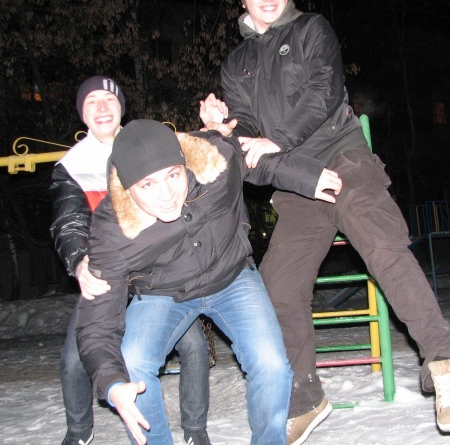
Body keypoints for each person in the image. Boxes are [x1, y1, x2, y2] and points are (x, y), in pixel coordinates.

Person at [200, 0, 450, 443]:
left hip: (343, 158)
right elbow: (247, 133)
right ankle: (306, 396)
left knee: (382, 244)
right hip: (297, 182)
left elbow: (324, 92)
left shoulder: (312, 29)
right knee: (277, 286)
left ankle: (443, 363)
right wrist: (227, 128)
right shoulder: (237, 63)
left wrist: (276, 140)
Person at [73, 119, 342, 445]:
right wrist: (113, 384)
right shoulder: (112, 230)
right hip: (162, 293)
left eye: (173, 175)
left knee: (272, 365)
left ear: (184, 164)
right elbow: (97, 322)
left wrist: (307, 176)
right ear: (128, 189)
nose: (166, 194)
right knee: (131, 364)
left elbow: (257, 160)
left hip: (232, 276)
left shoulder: (213, 161)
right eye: (148, 185)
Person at [49, 77, 212, 445]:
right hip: (107, 270)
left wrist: (212, 132)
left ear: (122, 107)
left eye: (109, 99)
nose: (102, 107)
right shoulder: (72, 166)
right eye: (92, 101)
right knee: (74, 358)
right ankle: (78, 431)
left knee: (194, 345)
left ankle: (195, 430)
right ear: (82, 114)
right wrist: (79, 262)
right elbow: (68, 222)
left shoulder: (148, 143)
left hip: (157, 270)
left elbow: (195, 182)